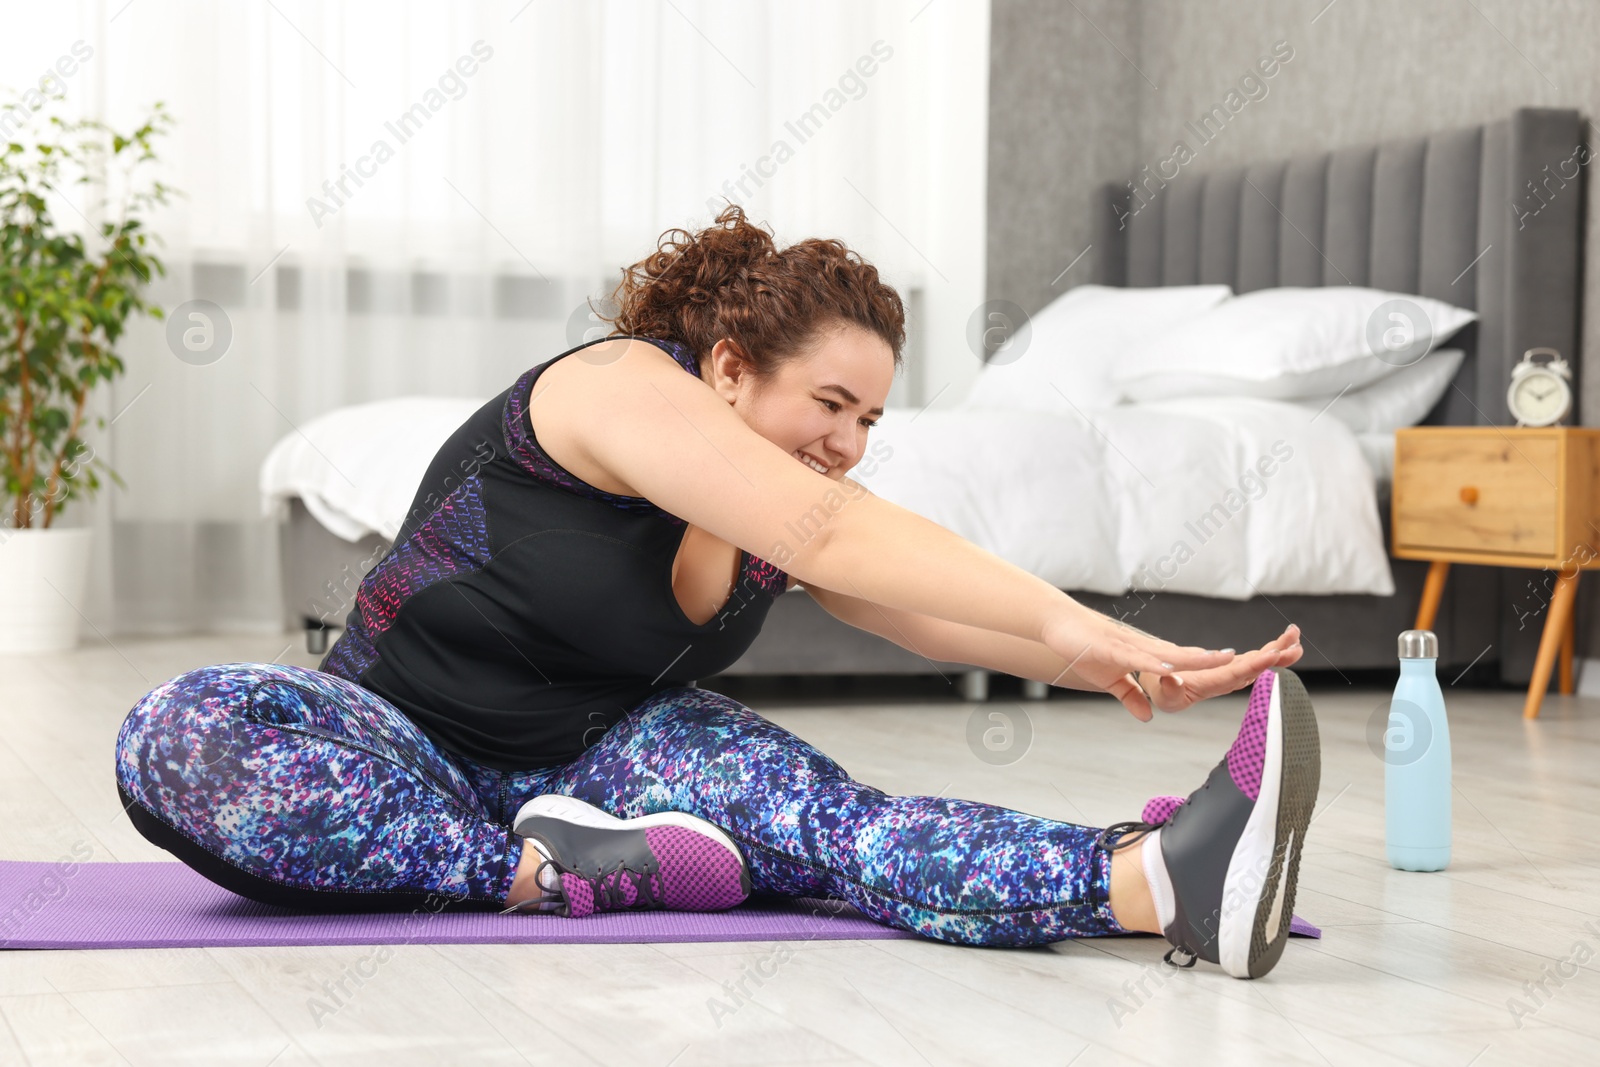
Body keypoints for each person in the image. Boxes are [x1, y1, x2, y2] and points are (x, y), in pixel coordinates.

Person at [113, 204, 1317, 980]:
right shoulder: (615, 385)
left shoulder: (774, 512)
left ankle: (1159, 875)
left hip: (607, 759)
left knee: (831, 826)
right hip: (401, 737)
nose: (848, 443)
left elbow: (930, 610)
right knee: (179, 731)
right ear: (729, 370)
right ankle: (540, 873)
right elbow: (840, 536)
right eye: (830, 405)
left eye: (871, 419)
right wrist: (1082, 617)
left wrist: (1112, 659)